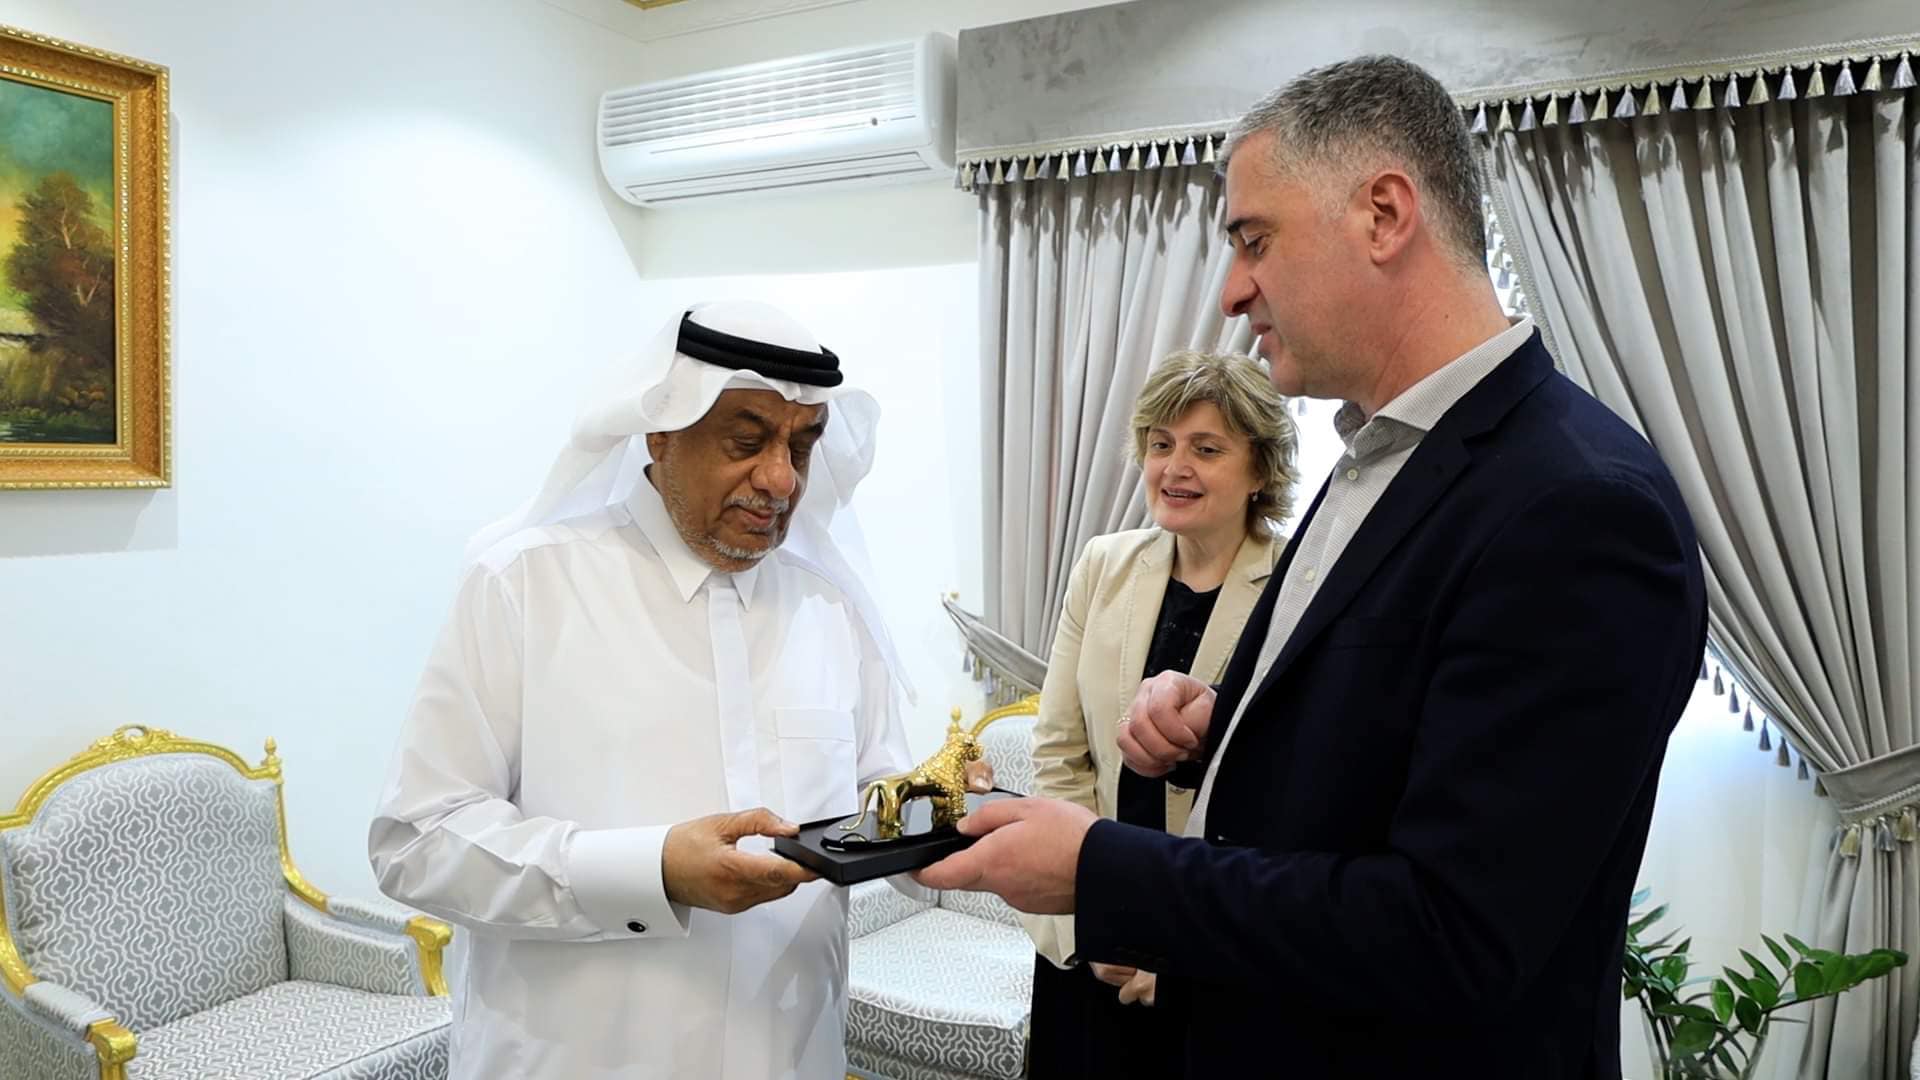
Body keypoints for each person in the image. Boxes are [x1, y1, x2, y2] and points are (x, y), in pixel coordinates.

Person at [918, 54, 1708, 1079]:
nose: (1231, 292)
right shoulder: (1383, 457)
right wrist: (1225, 728)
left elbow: (1452, 931)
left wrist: (1104, 869)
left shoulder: (1580, 507)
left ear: (1384, 215)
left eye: (1254, 241)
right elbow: (1386, 747)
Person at [369, 301, 974, 1079]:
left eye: (802, 445)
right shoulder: (524, 586)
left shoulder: (832, 607)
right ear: (660, 431)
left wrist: (936, 812)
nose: (781, 479)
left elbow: (867, 795)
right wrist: (650, 871)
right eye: (747, 441)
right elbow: (418, 841)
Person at [1023, 350, 1296, 1079]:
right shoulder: (1102, 564)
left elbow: (1282, 805)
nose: (1175, 468)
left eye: (1207, 449)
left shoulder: (1296, 588)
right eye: (1160, 443)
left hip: (1215, 963)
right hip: (1087, 944)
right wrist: (1093, 918)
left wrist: (1178, 942)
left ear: (1261, 468)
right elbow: (1059, 753)